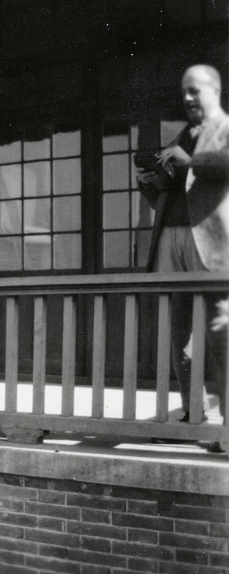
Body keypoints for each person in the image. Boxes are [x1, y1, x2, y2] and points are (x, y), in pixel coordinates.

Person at [138, 64, 229, 431]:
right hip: (171, 237)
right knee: (179, 330)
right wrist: (152, 181)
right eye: (184, 92)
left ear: (216, 90)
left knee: (221, 328)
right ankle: (193, 412)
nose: (188, 98)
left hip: (208, 240)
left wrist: (189, 161)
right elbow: (172, 192)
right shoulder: (184, 133)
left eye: (195, 91)